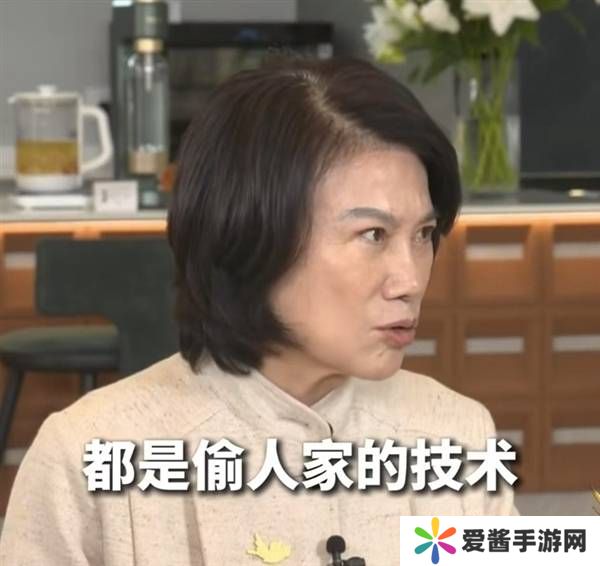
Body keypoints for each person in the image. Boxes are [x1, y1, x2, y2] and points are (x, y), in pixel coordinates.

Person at [0, 56, 517, 565]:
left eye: (423, 234)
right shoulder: (89, 456)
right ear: (248, 235)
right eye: (373, 234)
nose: (411, 281)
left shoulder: (457, 436)